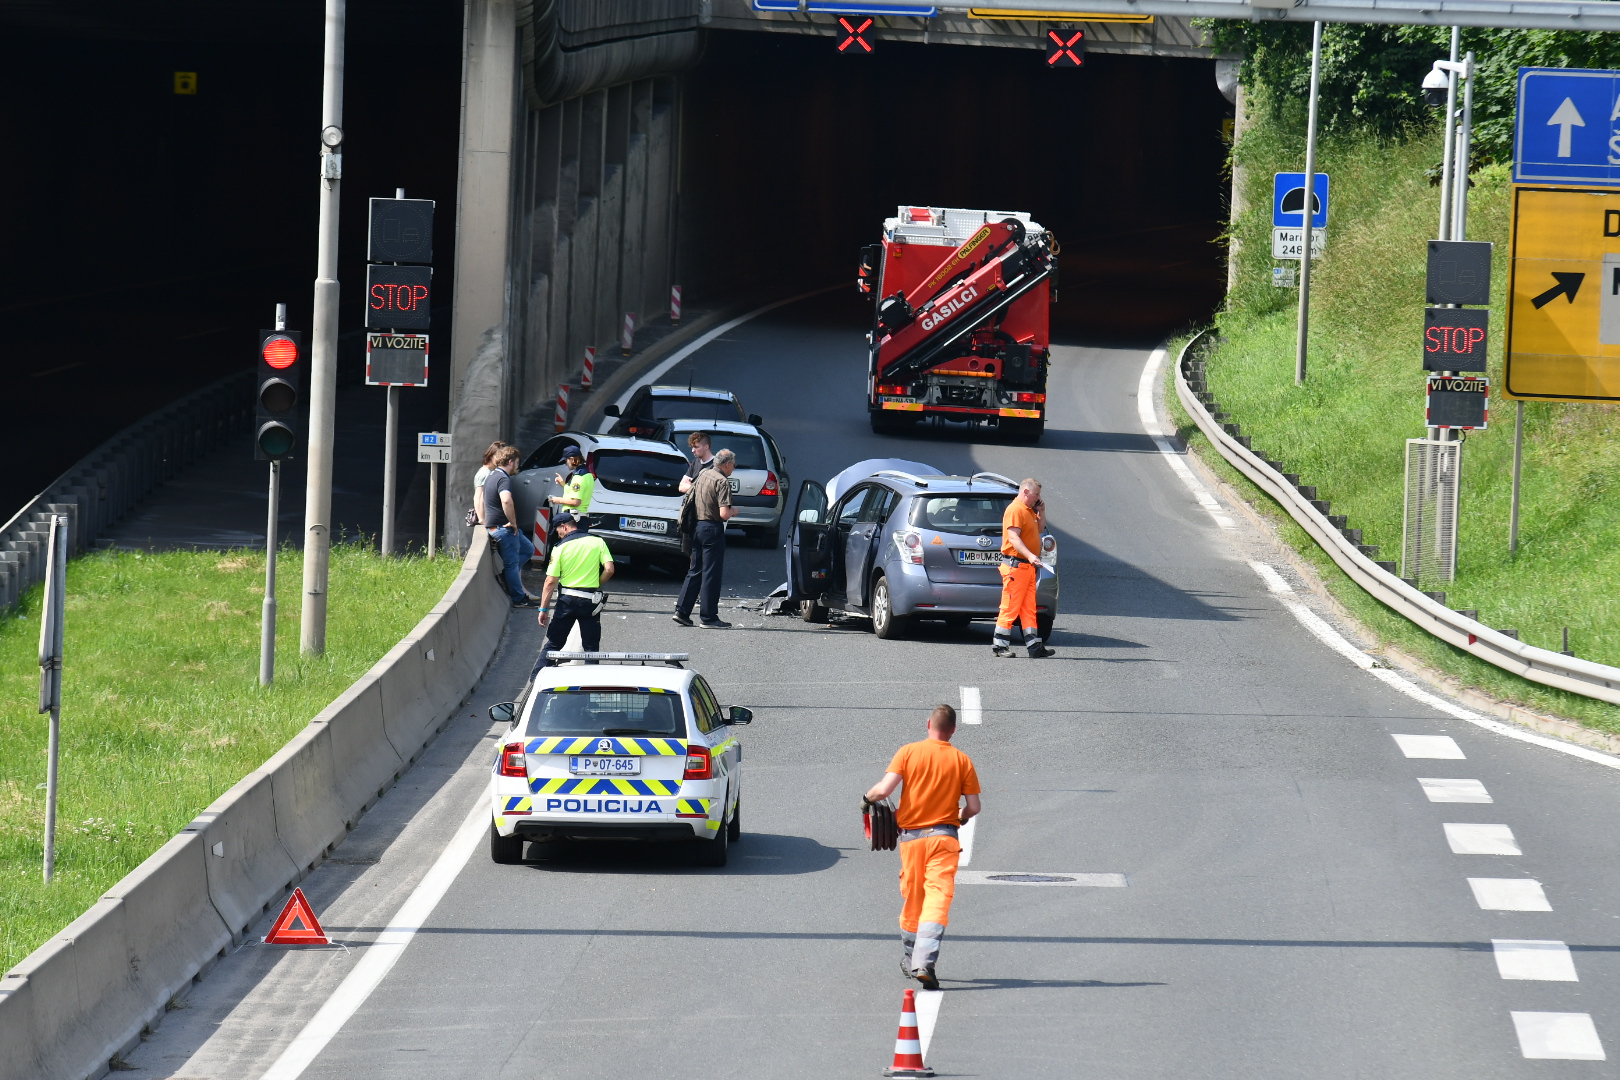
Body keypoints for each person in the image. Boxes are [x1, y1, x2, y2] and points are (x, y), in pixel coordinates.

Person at [863, 704, 981, 991]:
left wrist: (866, 799)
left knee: (914, 900)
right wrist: (958, 819)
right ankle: (925, 962)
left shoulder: (908, 752)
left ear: (928, 723)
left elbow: (884, 790)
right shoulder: (962, 760)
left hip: (911, 841)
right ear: (953, 730)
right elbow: (974, 807)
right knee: (937, 898)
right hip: (944, 839)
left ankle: (909, 957)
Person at [537, 511, 615, 661]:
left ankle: (537, 678)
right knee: (591, 649)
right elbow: (609, 569)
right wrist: (596, 583)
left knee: (553, 644)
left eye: (558, 530)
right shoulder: (597, 541)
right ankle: (590, 682)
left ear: (564, 527)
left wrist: (543, 609)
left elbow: (550, 581)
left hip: (566, 602)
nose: (558, 534)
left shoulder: (560, 547)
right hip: (590, 602)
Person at [673, 447, 735, 629]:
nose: (733, 470)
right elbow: (724, 513)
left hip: (696, 527)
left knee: (695, 570)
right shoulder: (722, 482)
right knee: (711, 574)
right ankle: (708, 617)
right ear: (727, 464)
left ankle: (682, 611)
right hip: (712, 528)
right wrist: (734, 511)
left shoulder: (703, 474)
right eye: (733, 466)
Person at [993, 477, 1053, 658]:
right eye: (1036, 494)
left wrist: (1041, 511)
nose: (1038, 498)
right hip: (1016, 567)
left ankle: (1034, 646)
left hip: (1026, 568)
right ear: (1025, 492)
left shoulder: (1028, 510)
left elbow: (1040, 529)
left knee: (1028, 609)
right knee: (1010, 607)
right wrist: (1030, 555)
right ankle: (999, 646)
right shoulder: (1015, 510)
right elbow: (1013, 538)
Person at [484, 446, 541, 608]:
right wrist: (513, 522)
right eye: (517, 462)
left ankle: (507, 576)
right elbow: (506, 500)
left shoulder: (492, 475)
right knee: (511, 564)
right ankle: (518, 599)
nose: (518, 465)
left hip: (498, 526)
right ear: (510, 462)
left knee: (528, 549)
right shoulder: (503, 479)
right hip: (504, 528)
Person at [549, 445, 595, 528]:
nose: (566, 463)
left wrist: (558, 500)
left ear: (572, 459)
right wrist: (563, 483)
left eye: (566, 460)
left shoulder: (578, 477)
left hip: (574, 519)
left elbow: (575, 502)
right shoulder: (587, 474)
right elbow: (574, 492)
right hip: (580, 518)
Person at [474, 440, 510, 527]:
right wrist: (482, 518)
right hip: (486, 518)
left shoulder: (486, 471)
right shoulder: (486, 473)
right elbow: (478, 497)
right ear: (491, 456)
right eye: (498, 456)